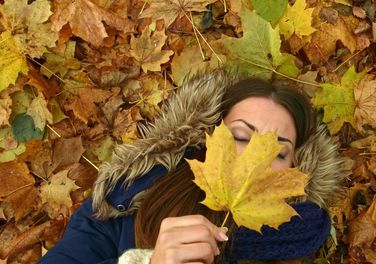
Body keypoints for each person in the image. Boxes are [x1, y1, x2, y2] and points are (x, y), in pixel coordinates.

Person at [39, 69, 349, 264]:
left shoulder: (300, 239)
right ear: (207, 139)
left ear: (296, 170)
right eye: (241, 136)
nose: (254, 159)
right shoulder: (128, 198)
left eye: (278, 152)